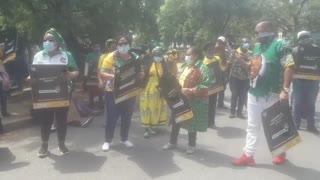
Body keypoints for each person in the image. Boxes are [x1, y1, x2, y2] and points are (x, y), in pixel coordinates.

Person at [232, 21, 294, 166]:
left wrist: (285, 90)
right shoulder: (257, 47)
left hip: (273, 94)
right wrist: (240, 60)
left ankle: (280, 152)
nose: (256, 35)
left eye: (258, 32)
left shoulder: (281, 46)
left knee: (276, 125)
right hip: (254, 92)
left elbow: (289, 67)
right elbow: (253, 69)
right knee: (252, 126)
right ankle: (248, 155)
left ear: (269, 30)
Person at [31, 28, 79, 158]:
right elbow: (34, 73)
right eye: (45, 40)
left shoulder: (66, 55)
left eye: (50, 40)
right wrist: (30, 79)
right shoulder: (38, 56)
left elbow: (75, 72)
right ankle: (44, 145)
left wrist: (69, 74)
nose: (47, 42)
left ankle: (61, 144)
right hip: (44, 94)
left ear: (56, 42)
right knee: (45, 120)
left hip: (62, 93)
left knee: (61, 120)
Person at [162, 46, 212, 154]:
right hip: (180, 99)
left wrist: (190, 90)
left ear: (196, 56)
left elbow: (206, 86)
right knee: (177, 120)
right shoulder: (187, 66)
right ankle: (172, 142)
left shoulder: (203, 68)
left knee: (191, 123)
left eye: (189, 54)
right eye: (186, 54)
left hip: (195, 101)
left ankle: (191, 145)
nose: (186, 56)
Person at [100, 36, 144, 151]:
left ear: (129, 45)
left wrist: (140, 75)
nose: (122, 46)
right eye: (120, 44)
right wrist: (117, 77)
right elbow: (103, 74)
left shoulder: (135, 57)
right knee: (111, 117)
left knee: (127, 117)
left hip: (130, 91)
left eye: (125, 43)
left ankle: (124, 139)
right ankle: (107, 141)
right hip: (113, 92)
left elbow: (141, 72)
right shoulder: (111, 57)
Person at [292, 31, 320, 134]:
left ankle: (310, 125)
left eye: (307, 37)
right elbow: (289, 65)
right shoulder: (294, 50)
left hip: (313, 81)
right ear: (299, 39)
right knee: (297, 102)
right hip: (298, 81)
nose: (305, 39)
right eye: (303, 38)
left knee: (311, 103)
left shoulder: (317, 49)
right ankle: (296, 124)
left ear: (310, 38)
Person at [140, 47, 168, 138]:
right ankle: (146, 129)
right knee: (146, 107)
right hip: (148, 88)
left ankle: (153, 126)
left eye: (159, 55)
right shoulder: (148, 63)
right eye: (156, 55)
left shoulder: (163, 64)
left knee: (156, 108)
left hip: (159, 89)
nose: (157, 57)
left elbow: (166, 76)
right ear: (153, 55)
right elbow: (143, 75)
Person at [228, 38, 252, 119]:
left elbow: (250, 65)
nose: (246, 44)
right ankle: (232, 112)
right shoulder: (234, 52)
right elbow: (229, 63)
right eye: (244, 42)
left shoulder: (250, 53)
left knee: (243, 96)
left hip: (245, 79)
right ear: (241, 43)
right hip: (235, 77)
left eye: (247, 42)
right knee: (234, 95)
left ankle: (239, 112)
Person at [202, 42, 221, 128]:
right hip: (204, 86)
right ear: (205, 51)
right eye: (209, 49)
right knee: (205, 105)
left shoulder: (217, 59)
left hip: (215, 86)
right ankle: (204, 122)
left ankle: (211, 122)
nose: (212, 51)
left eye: (213, 49)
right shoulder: (202, 61)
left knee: (213, 104)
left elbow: (222, 69)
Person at [214, 36, 228, 108]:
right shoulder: (212, 50)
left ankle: (220, 103)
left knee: (222, 88)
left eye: (223, 43)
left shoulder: (226, 51)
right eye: (220, 42)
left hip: (223, 72)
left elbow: (227, 62)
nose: (221, 44)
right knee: (214, 88)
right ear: (217, 42)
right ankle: (212, 102)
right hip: (214, 72)